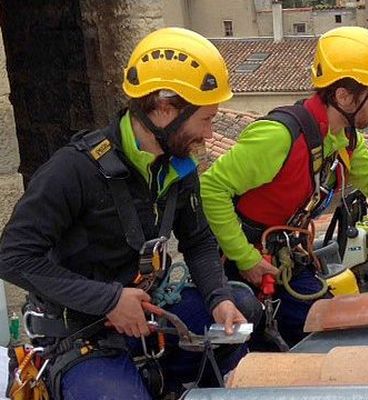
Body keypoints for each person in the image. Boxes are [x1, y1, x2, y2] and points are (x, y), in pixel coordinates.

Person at [0, 27, 261, 399]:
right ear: (165, 109)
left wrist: (219, 299)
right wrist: (107, 300)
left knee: (243, 305)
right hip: (84, 331)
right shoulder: (73, 170)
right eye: (204, 120)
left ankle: (172, 386)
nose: (209, 133)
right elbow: (13, 257)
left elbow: (199, 241)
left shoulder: (177, 167)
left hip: (148, 315)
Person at [200, 26, 368, 348]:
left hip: (284, 257)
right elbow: (211, 188)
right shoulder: (278, 136)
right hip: (240, 263)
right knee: (261, 349)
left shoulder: (345, 139)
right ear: (343, 96)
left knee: (323, 327)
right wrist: (244, 257)